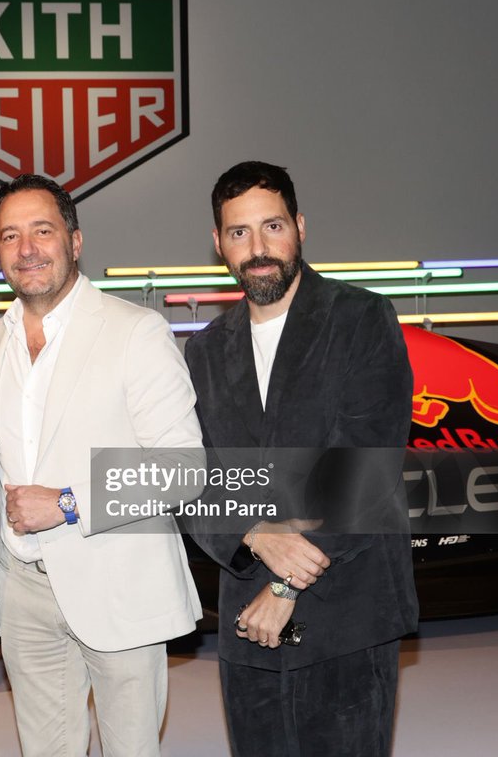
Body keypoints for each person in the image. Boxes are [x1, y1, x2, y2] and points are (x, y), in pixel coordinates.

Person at [183, 161, 418, 756]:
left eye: (272, 226)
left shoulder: (362, 318)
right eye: (239, 233)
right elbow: (192, 475)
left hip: (347, 608)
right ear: (218, 243)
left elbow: (367, 466)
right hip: (246, 619)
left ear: (301, 226)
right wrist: (255, 537)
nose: (258, 249)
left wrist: (287, 585)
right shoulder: (205, 351)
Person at [0, 174, 204, 756]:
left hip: (118, 583)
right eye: (10, 235)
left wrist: (69, 502)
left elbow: (183, 467)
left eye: (42, 230)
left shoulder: (137, 331)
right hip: (24, 590)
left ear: (75, 242)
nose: (26, 248)